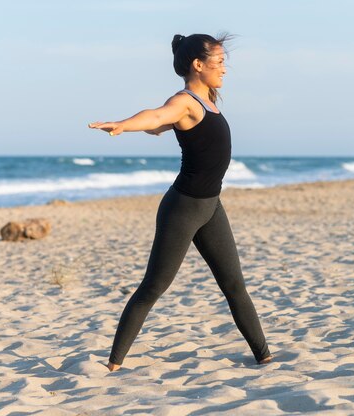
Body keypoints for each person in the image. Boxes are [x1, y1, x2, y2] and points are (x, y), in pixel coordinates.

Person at [88, 33, 273, 372]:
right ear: (197, 65)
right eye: (218, 63)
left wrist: (153, 125)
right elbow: (156, 116)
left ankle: (265, 357)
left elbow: (160, 124)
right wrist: (125, 125)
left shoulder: (209, 100)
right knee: (154, 286)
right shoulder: (185, 102)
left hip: (211, 206)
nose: (224, 70)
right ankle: (113, 364)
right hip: (184, 208)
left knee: (234, 285)